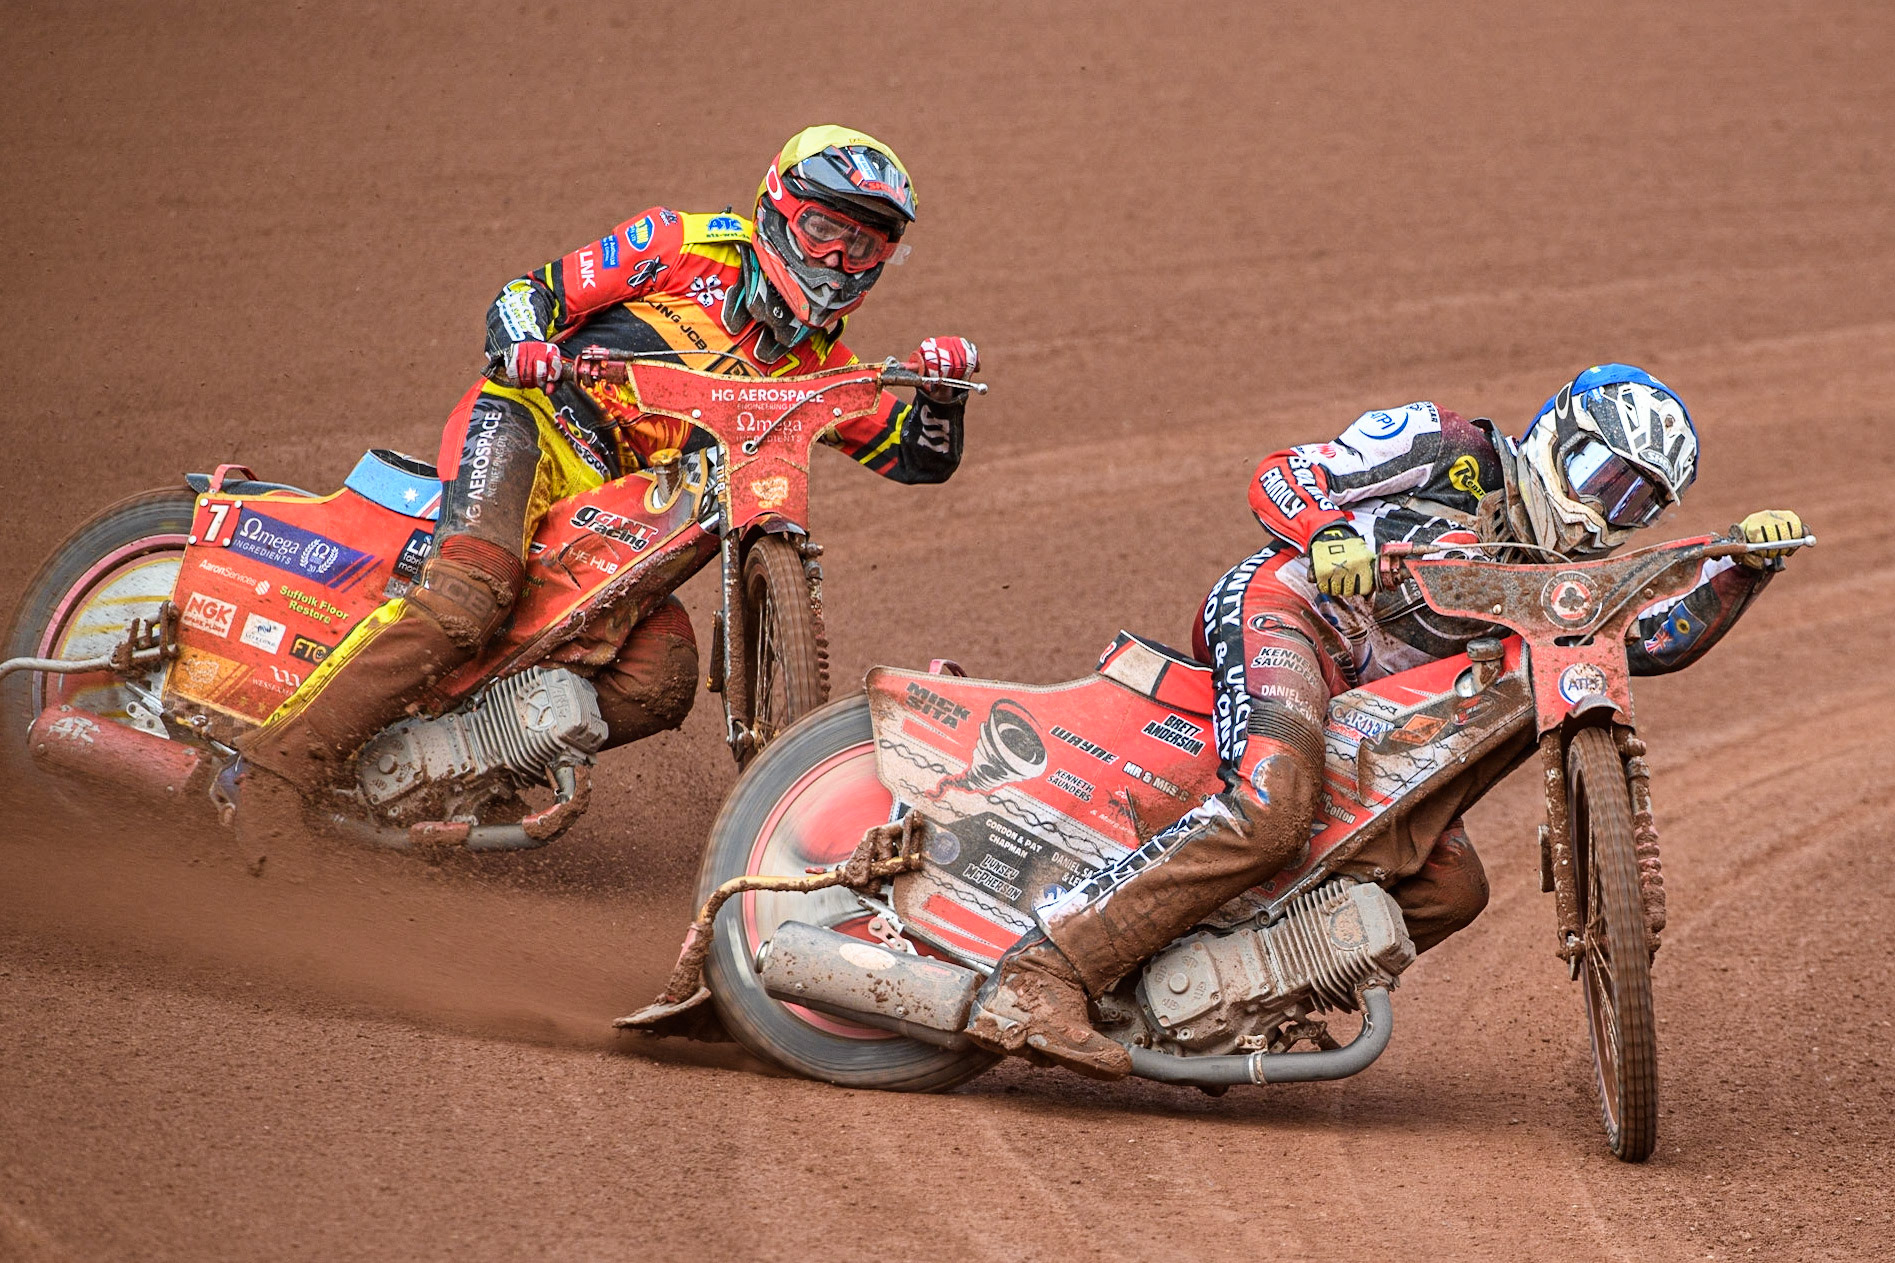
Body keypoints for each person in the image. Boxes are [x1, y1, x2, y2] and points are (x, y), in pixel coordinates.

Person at [965, 363, 1804, 1078]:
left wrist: (1740, 571)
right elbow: (1283, 470)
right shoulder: (1445, 445)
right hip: (1299, 616)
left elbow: (1653, 641)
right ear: (1557, 435)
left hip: (1391, 719)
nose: (1607, 509)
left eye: (1636, 500)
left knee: (1451, 889)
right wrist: (1328, 533)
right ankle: (1042, 970)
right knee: (1273, 806)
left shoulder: (1573, 579)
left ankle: (1226, 1005)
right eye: (1602, 476)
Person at [233, 126, 979, 831]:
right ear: (777, 211)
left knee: (662, 674)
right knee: (470, 596)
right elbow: (529, 293)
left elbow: (915, 456)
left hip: (616, 507)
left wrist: (940, 392)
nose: (839, 260)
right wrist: (522, 343)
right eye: (825, 230)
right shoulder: (678, 246)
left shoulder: (820, 370)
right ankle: (272, 773)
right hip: (534, 422)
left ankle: (457, 769)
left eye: (865, 244)